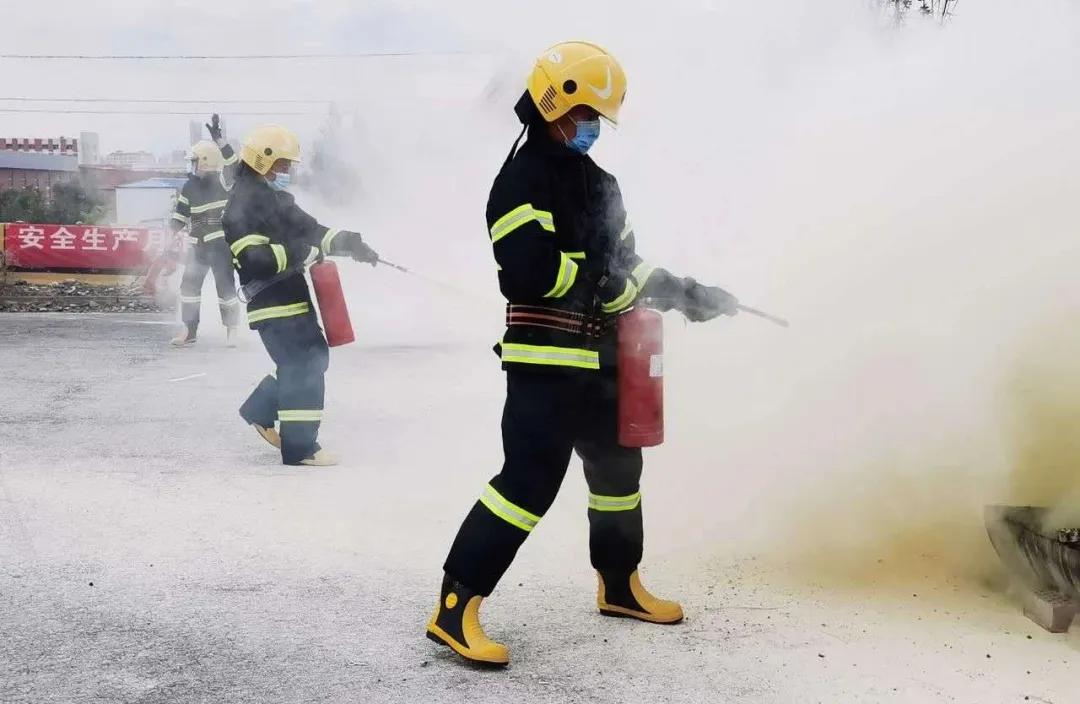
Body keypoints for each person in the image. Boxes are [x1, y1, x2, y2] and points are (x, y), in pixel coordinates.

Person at [425, 41, 739, 666]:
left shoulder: (601, 184)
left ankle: (619, 585)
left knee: (619, 475)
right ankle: (454, 610)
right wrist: (602, 282)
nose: (591, 128)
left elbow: (627, 264)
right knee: (527, 483)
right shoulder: (519, 181)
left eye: (598, 118)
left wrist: (687, 293)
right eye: (584, 115)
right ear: (553, 103)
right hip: (546, 362)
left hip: (603, 359)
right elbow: (528, 271)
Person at [222, 124, 379, 467]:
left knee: (311, 359)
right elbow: (255, 261)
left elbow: (313, 231)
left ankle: (260, 410)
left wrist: (351, 243)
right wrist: (300, 252)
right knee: (303, 364)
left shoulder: (276, 200)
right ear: (262, 161)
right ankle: (300, 448)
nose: (286, 172)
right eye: (282, 165)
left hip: (290, 297)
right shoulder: (240, 207)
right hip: (271, 303)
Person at [170, 115, 241, 347]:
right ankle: (189, 332)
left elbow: (234, 165)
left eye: (194, 161)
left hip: (221, 246)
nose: (191, 166)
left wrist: (220, 141)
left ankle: (232, 331)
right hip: (197, 247)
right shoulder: (189, 186)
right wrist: (168, 239)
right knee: (188, 288)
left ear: (205, 162)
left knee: (226, 289)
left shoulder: (223, 180)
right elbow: (179, 217)